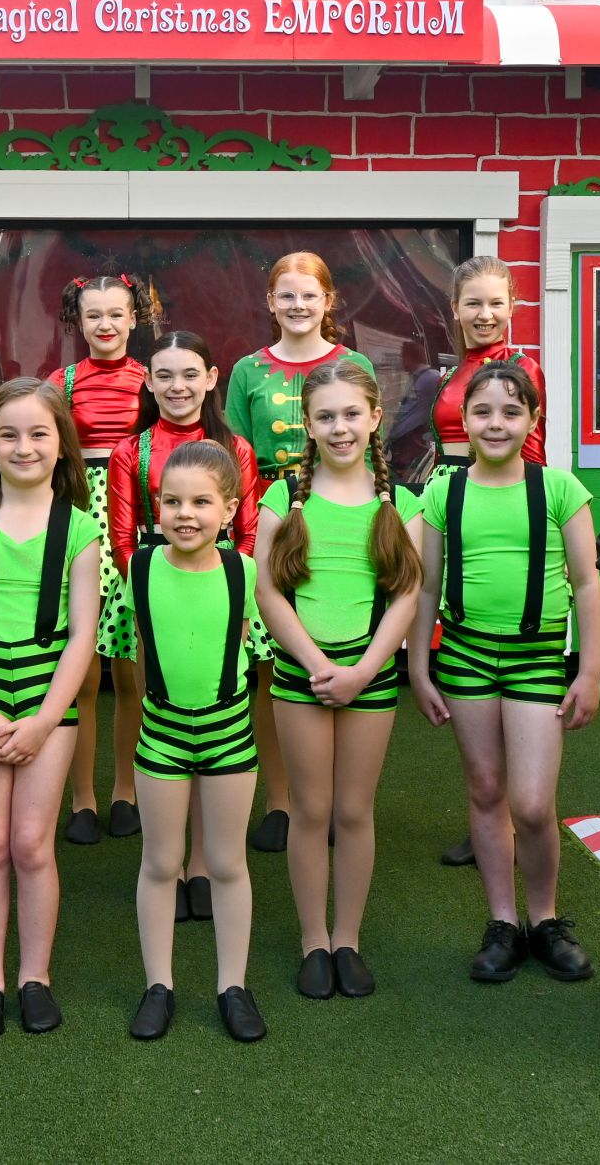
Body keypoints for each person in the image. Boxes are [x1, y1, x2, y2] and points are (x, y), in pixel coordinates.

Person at [410, 361, 600, 986]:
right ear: (463, 421)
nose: (496, 424)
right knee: (487, 791)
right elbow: (426, 585)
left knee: (530, 802)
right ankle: (502, 922)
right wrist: (419, 664)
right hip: (464, 655)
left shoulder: (559, 490)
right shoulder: (444, 493)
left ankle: (544, 918)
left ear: (532, 419)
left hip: (537, 657)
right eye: (483, 412)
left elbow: (586, 584)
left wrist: (592, 671)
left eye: (511, 411)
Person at [0, 378, 101, 1042]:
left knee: (32, 842)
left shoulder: (81, 528)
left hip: (46, 701)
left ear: (61, 445)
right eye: (8, 433)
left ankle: (35, 975)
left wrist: (41, 720)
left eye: (38, 433)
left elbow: (84, 633)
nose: (24, 445)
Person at [253, 360, 421, 1001]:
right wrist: (319, 666)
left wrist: (362, 671)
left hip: (368, 679)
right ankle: (311, 940)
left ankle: (346, 937)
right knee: (310, 808)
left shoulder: (400, 502)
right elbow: (269, 591)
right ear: (308, 425)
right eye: (325, 416)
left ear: (375, 418)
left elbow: (406, 596)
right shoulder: (280, 497)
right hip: (302, 677)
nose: (340, 427)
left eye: (352, 414)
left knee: (353, 811)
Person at [107, 331, 261, 923]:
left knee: (216, 711)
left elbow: (245, 529)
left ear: (211, 377)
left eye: (189, 374)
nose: (178, 387)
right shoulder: (132, 450)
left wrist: (229, 595)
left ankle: (205, 864)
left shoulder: (236, 448)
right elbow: (123, 534)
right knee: (159, 708)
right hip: (153, 590)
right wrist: (151, 594)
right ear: (149, 380)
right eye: (165, 375)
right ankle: (167, 866)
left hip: (221, 591)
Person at [225, 252, 374, 852]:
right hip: (271, 517)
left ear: (327, 301)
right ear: (270, 303)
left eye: (308, 295)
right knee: (272, 665)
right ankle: (282, 800)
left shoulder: (353, 364)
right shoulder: (246, 371)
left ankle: (344, 803)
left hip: (339, 515)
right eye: (285, 295)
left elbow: (369, 446)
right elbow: (235, 456)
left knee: (346, 639)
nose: (297, 305)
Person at [127, 442, 267, 1043]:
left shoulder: (244, 571)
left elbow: (254, 644)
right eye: (172, 500)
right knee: (160, 864)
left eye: (202, 502)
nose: (186, 513)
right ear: (157, 506)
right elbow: (124, 642)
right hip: (159, 737)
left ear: (230, 509)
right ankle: (158, 984)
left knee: (228, 863)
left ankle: (232, 985)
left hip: (230, 737)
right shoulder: (137, 568)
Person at [429, 254, 550, 869]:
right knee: (463, 643)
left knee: (503, 644)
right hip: (450, 503)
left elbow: (532, 450)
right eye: (472, 303)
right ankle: (487, 810)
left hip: (498, 505)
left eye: (495, 303)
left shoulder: (524, 369)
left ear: (512, 307)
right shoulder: (454, 372)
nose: (484, 314)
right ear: (456, 309)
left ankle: (505, 817)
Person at [48, 273, 158, 845]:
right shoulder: (62, 382)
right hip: (80, 517)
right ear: (79, 321)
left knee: (132, 669)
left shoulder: (152, 378)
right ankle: (81, 798)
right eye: (95, 316)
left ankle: (126, 791)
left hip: (136, 514)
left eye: (117, 314)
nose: (107, 325)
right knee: (83, 672)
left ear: (134, 318)